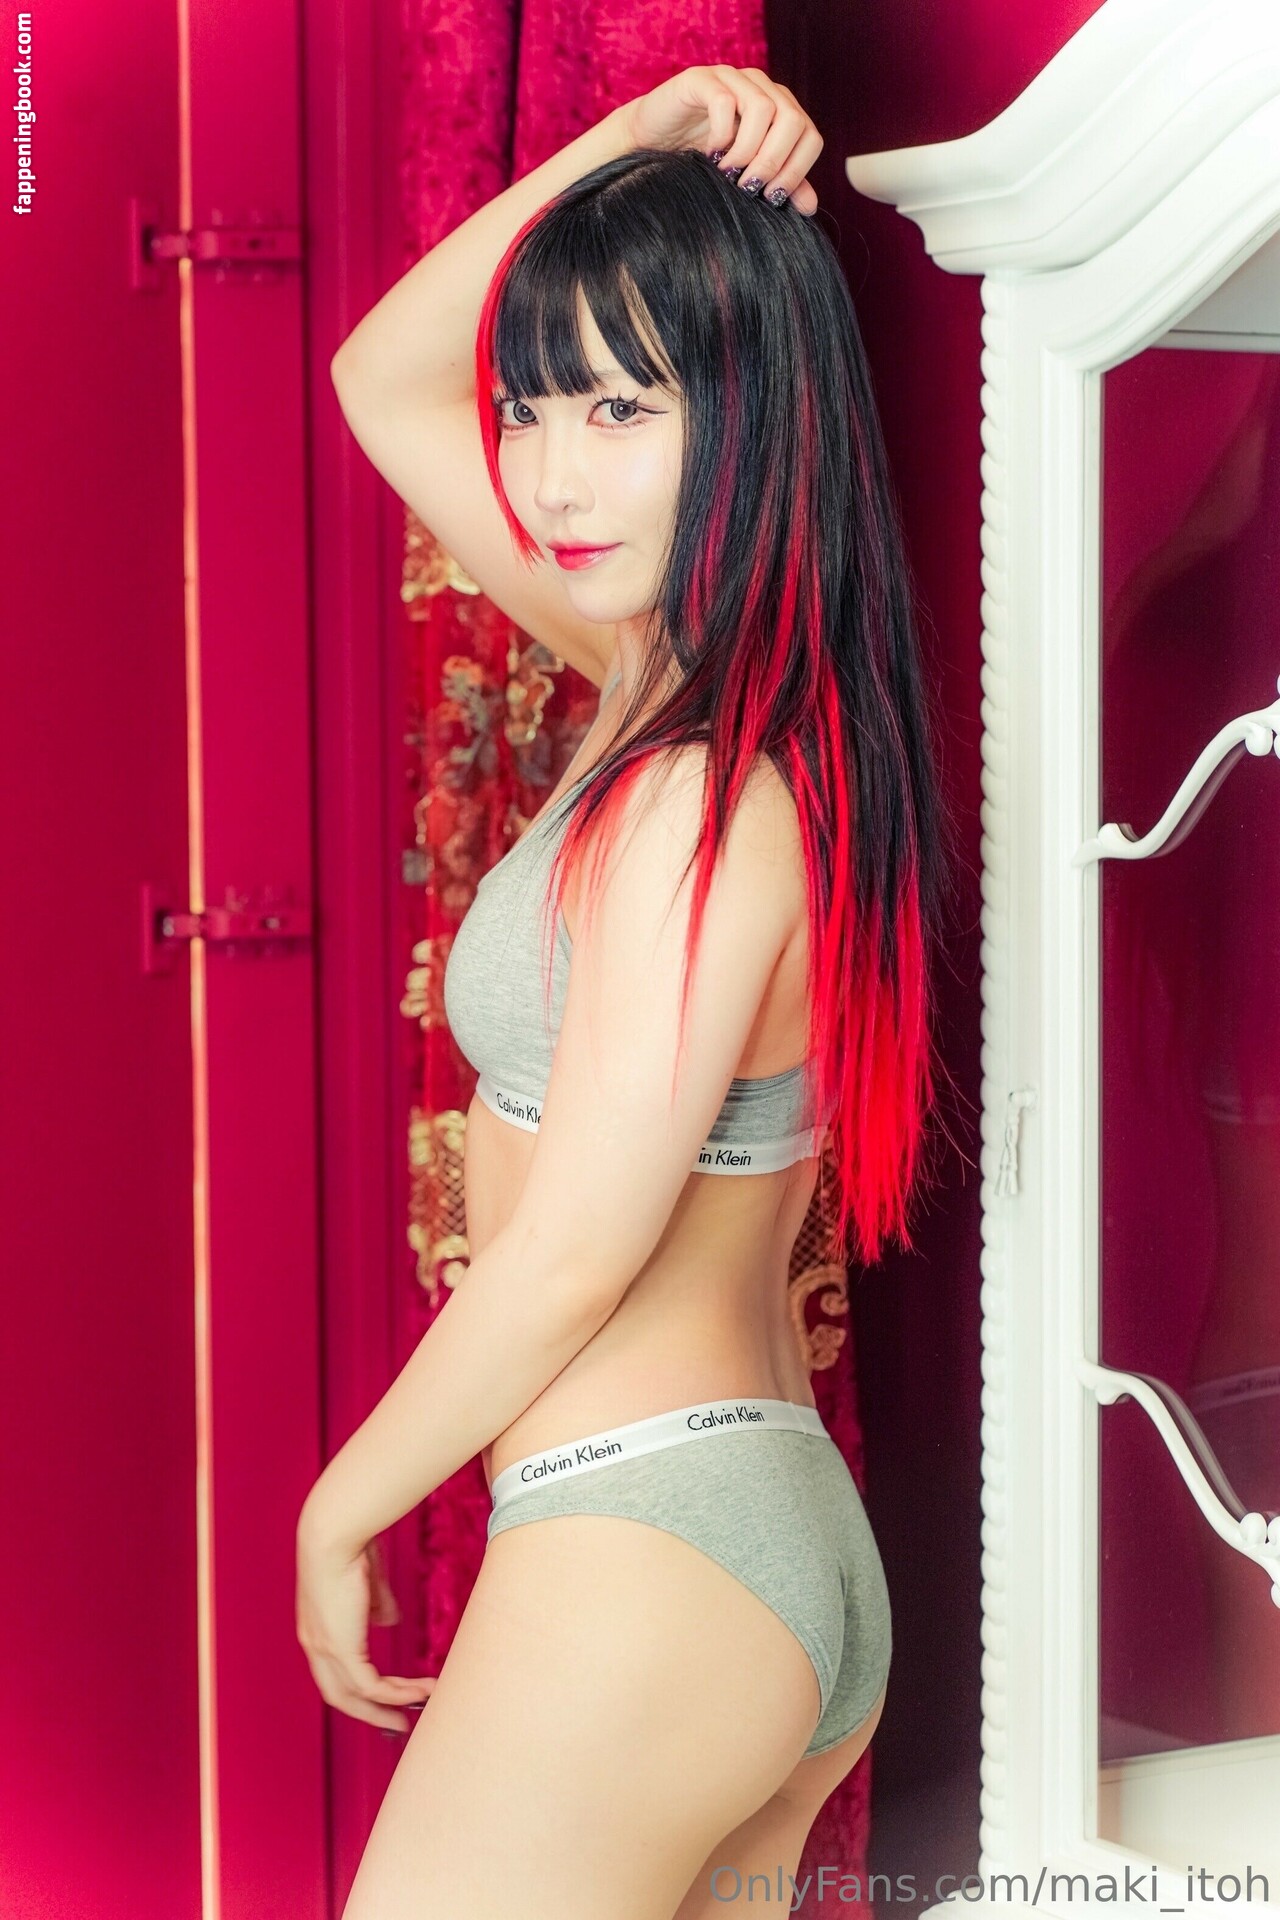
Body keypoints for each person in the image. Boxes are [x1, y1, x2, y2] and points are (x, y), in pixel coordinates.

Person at [296, 64, 957, 1920]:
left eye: (622, 405)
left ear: (750, 417)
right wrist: (637, 133)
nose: (553, 471)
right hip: (738, 1537)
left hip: (647, 1543)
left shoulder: (699, 797)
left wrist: (341, 1504)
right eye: (534, 407)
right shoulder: (680, 699)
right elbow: (381, 376)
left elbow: (580, 1249)